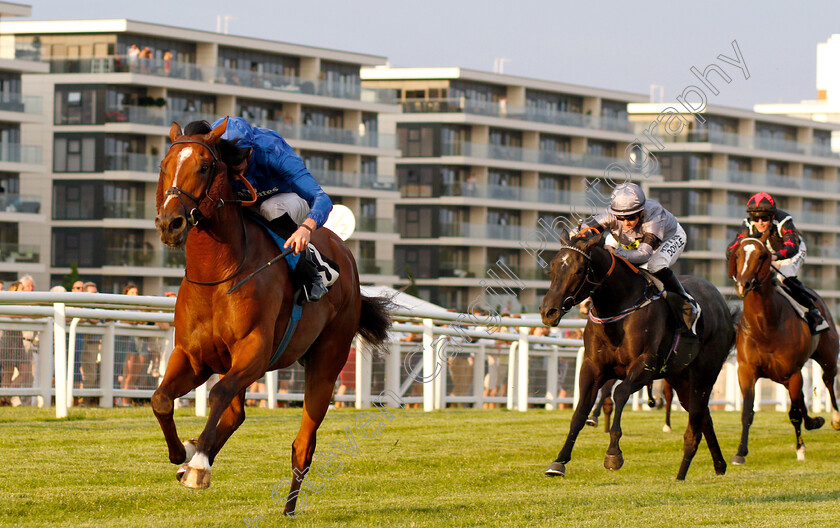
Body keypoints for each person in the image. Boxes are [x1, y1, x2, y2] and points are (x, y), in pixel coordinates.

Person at [198, 116, 339, 304]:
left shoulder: (273, 151)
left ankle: (314, 268)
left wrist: (305, 229)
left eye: (237, 161)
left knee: (270, 207)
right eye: (227, 162)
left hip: (288, 202)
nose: (233, 170)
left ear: (250, 151)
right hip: (248, 206)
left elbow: (322, 199)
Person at [574, 182, 700, 335]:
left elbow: (644, 255)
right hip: (631, 240)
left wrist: (615, 253)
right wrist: (578, 234)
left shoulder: (653, 215)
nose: (626, 222)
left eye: (631, 217)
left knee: (655, 265)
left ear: (640, 212)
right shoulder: (611, 213)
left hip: (668, 238)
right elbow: (586, 229)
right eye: (621, 218)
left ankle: (686, 302)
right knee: (608, 248)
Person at [726, 192, 828, 334]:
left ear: (772, 216)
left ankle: (813, 312)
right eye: (755, 218)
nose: (759, 222)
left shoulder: (784, 220)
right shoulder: (747, 224)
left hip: (791, 251)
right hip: (766, 252)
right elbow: (735, 245)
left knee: (783, 277)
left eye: (764, 218)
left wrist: (775, 257)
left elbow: (791, 246)